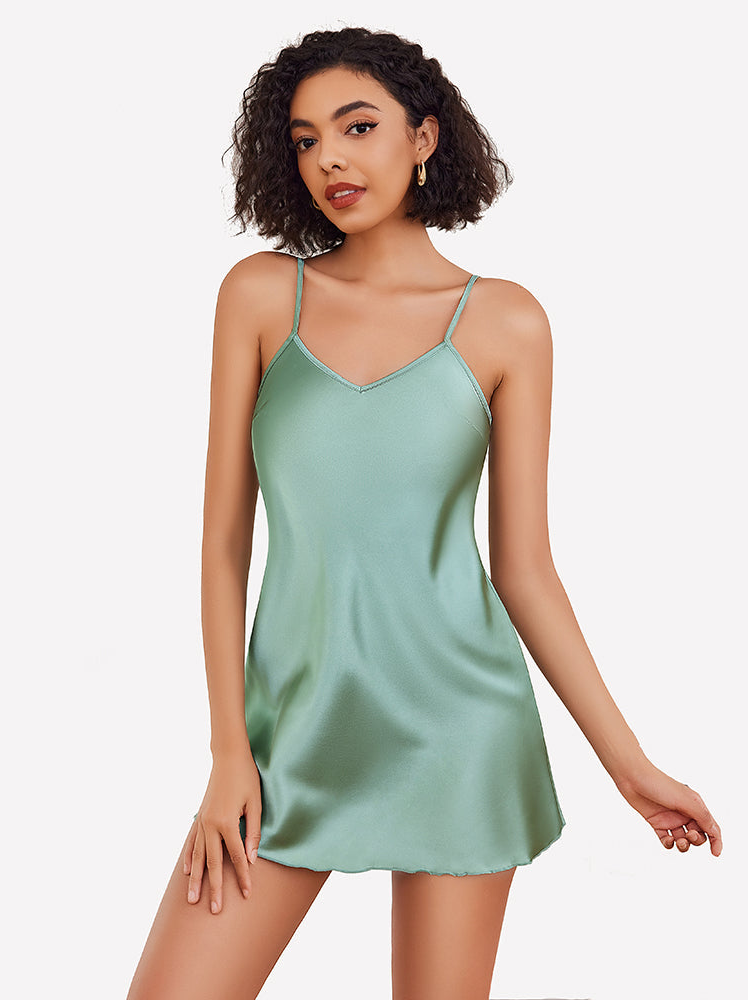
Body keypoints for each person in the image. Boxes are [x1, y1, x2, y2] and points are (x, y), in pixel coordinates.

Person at [126, 25, 723, 1000]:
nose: (329, 158)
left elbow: (524, 570)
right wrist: (230, 751)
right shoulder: (261, 296)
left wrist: (629, 766)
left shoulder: (506, 322)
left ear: (424, 137)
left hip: (459, 731)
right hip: (289, 734)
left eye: (357, 126)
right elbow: (223, 542)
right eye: (306, 139)